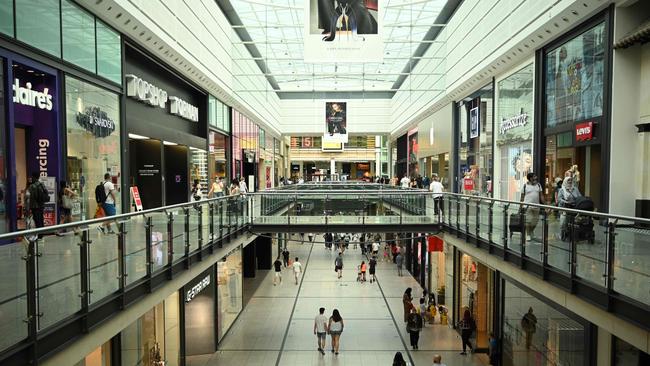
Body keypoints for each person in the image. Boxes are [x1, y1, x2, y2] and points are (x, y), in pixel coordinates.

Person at [520, 172, 545, 241]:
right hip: (527, 207)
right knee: (528, 221)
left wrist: (545, 204)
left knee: (535, 222)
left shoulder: (538, 185)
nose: (536, 178)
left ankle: (531, 231)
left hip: (537, 206)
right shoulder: (525, 186)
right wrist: (521, 206)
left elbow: (541, 196)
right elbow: (522, 197)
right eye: (534, 177)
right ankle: (528, 234)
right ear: (530, 178)